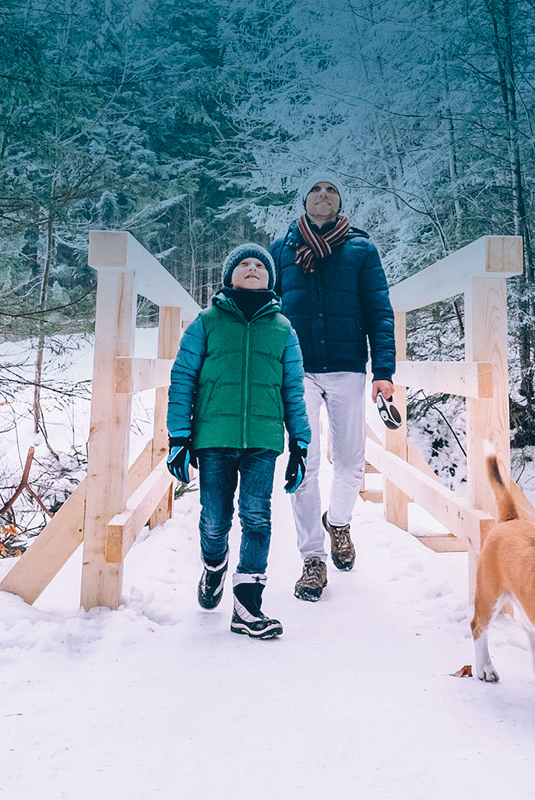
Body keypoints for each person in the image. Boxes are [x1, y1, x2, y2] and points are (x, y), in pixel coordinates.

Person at [166, 244, 312, 639]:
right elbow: (183, 381)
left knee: (257, 517)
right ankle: (214, 566)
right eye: (243, 264)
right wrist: (179, 436)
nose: (252, 268)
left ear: (270, 278)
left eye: (259, 265)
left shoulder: (283, 329)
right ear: (229, 277)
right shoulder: (206, 322)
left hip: (263, 441)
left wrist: (300, 443)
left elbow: (293, 391)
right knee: (214, 520)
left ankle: (248, 605)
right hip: (213, 438)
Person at [270, 177, 396, 602]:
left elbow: (379, 309)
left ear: (340, 202)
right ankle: (312, 558)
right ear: (304, 200)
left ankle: (338, 522)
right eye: (316, 190)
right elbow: (265, 311)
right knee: (302, 463)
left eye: (332, 191)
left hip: (347, 368)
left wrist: (384, 370)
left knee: (351, 463)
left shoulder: (361, 248)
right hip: (297, 368)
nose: (324, 195)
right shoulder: (281, 250)